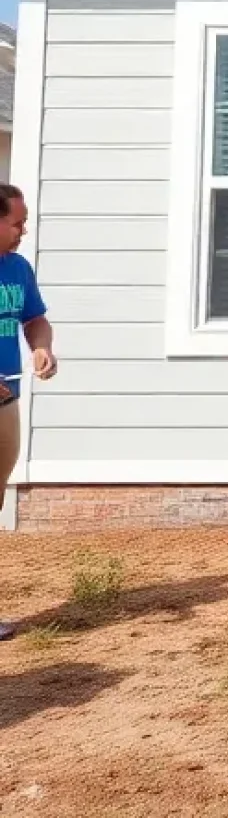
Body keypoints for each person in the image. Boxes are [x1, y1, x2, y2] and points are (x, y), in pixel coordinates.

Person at [1, 183, 57, 642]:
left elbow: (34, 318)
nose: (23, 231)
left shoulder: (18, 269)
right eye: (17, 222)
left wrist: (41, 348)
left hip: (6, 402)